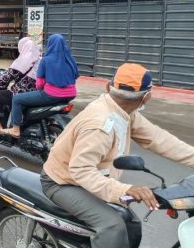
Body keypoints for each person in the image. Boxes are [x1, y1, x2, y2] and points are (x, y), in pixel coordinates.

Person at [41, 63, 194, 247]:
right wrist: (124, 190)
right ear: (146, 97)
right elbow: (81, 171)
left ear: (108, 86)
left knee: (131, 223)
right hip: (62, 183)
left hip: (88, 180)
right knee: (113, 226)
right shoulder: (99, 125)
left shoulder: (122, 111)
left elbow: (158, 139)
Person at [1, 34, 78, 138]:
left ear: (50, 45)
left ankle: (15, 129)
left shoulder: (46, 60)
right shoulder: (70, 59)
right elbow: (75, 76)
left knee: (17, 99)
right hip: (70, 95)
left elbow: (39, 84)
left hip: (51, 95)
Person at [0, 37, 41, 133]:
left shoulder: (22, 61)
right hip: (36, 94)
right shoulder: (40, 60)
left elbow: (3, 80)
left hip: (20, 94)